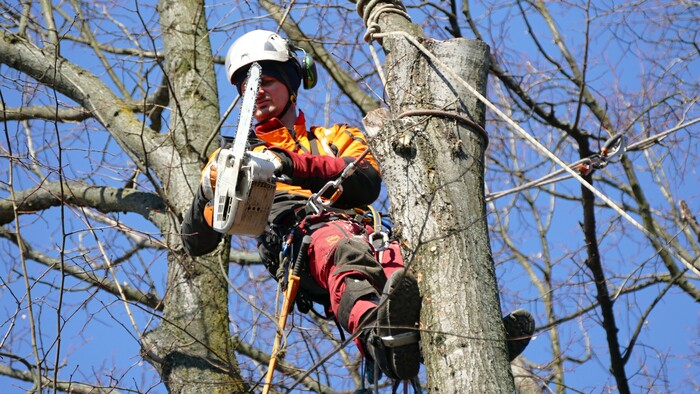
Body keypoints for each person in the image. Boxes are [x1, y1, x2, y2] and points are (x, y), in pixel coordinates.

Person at [181, 30, 534, 383]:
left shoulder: (335, 137)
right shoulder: (233, 158)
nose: (255, 91)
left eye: (266, 81)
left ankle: (463, 334)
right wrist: (205, 193)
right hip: (303, 236)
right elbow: (197, 241)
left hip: (362, 225)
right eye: (245, 87)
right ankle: (378, 339)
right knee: (343, 249)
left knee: (402, 264)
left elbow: (366, 180)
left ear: (291, 84)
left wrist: (289, 163)